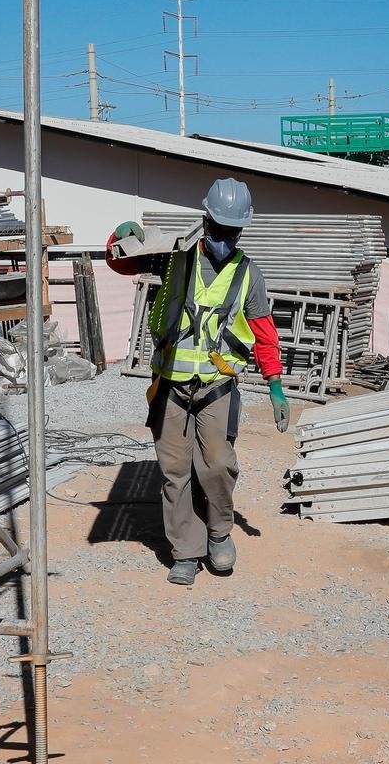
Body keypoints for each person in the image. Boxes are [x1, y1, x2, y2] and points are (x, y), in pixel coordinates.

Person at [105, 178, 288, 585]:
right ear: (206, 222)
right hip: (170, 383)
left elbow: (264, 331)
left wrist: (275, 385)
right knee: (175, 470)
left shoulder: (247, 274)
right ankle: (186, 549)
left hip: (216, 385)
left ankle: (219, 532)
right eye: (219, 229)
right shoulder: (175, 258)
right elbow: (122, 261)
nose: (224, 239)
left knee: (219, 464)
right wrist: (118, 236)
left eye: (232, 232)